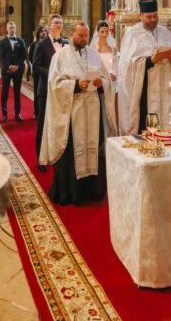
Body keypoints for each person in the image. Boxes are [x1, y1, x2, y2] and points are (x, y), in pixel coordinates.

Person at [39, 21, 116, 206]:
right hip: (73, 115)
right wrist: (75, 85)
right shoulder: (61, 57)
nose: (84, 39)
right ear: (71, 34)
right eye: (80, 35)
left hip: (93, 112)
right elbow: (54, 85)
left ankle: (94, 191)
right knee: (73, 150)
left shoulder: (95, 55)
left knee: (94, 148)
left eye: (86, 36)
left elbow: (107, 80)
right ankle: (71, 193)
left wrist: (101, 83)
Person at [118, 0, 171, 134]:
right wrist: (151, 60)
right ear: (141, 16)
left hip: (164, 89)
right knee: (145, 128)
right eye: (149, 17)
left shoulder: (165, 32)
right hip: (143, 91)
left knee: (166, 126)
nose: (153, 20)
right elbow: (126, 67)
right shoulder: (132, 34)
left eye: (155, 16)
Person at [32, 14, 68, 168]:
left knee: (58, 123)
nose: (58, 25)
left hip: (61, 91)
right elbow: (36, 66)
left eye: (60, 22)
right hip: (45, 89)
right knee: (43, 124)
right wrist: (52, 74)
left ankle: (56, 154)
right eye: (56, 22)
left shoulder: (66, 44)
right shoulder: (42, 44)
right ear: (49, 25)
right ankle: (41, 158)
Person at [0, 21, 26, 123]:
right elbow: (1, 57)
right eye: (10, 28)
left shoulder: (21, 41)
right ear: (7, 29)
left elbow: (23, 56)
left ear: (16, 28)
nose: (12, 29)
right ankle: (4, 115)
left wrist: (17, 66)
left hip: (18, 70)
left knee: (17, 92)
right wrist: (9, 66)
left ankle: (17, 114)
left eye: (13, 27)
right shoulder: (2, 42)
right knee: (5, 92)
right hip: (6, 70)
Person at [90, 20, 118, 89]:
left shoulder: (112, 48)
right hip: (98, 79)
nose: (105, 34)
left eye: (107, 31)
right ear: (97, 32)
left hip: (111, 78)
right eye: (102, 32)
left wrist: (115, 75)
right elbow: (92, 65)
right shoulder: (93, 48)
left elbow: (116, 64)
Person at [28, 26, 47, 119]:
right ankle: (37, 112)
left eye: (45, 31)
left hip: (46, 72)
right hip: (37, 72)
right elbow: (31, 58)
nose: (43, 33)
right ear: (38, 33)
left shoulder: (50, 44)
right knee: (37, 92)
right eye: (42, 31)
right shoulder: (33, 45)